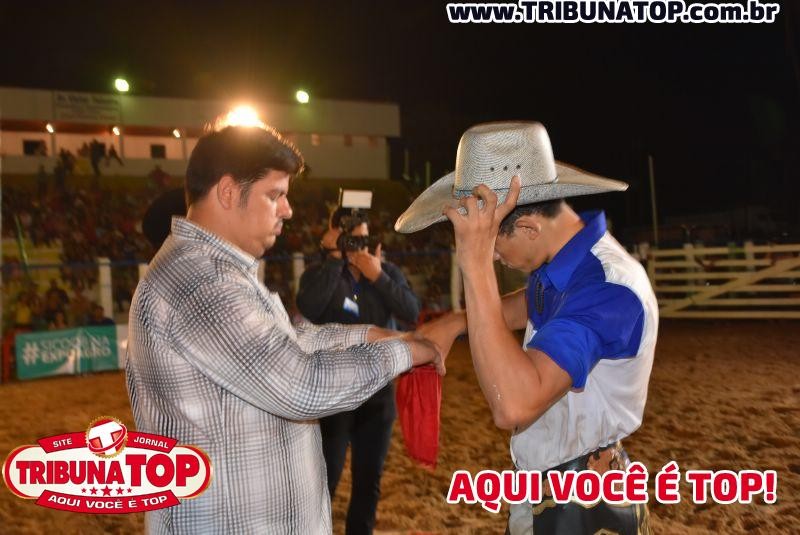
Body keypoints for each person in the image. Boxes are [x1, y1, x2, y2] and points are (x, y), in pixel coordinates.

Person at [126, 124, 443, 534]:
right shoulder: (203, 281)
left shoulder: (216, 270)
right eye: (275, 194)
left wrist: (377, 335)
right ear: (228, 192)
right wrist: (407, 352)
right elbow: (302, 385)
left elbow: (290, 341)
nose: (288, 210)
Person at [399, 122, 658, 535]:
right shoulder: (569, 265)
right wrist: (457, 322)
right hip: (565, 482)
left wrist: (475, 265)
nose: (495, 257)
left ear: (529, 228)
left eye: (494, 244)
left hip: (579, 500)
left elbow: (514, 404)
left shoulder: (608, 288)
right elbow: (532, 304)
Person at [296, 207, 419, 535]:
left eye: (364, 240)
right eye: (351, 240)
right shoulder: (320, 272)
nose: (359, 247)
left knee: (369, 481)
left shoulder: (386, 272)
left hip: (378, 393)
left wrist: (378, 277)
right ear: (335, 239)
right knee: (326, 478)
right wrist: (333, 260)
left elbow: (411, 311)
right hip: (332, 393)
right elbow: (309, 307)